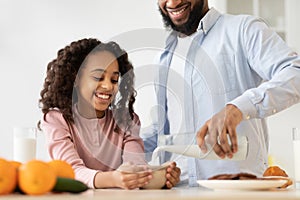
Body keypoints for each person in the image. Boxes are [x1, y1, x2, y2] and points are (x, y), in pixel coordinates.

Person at [142, 0, 300, 187]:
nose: (173, 2)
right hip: (178, 192)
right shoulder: (163, 57)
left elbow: (295, 72)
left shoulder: (243, 30)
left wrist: (238, 108)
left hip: (240, 193)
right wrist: (116, 146)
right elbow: (164, 131)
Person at [39, 38, 180, 189]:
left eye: (114, 80)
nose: (108, 86)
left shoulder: (126, 121)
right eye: (98, 77)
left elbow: (135, 166)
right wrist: (113, 179)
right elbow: (71, 171)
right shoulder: (56, 119)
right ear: (76, 79)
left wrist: (161, 176)